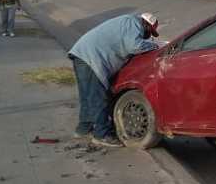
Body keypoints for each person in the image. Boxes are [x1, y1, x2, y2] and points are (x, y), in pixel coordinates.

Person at [68, 12, 159, 147]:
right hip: (92, 58)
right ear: (146, 24)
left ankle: (83, 129)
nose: (148, 36)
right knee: (99, 97)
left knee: (88, 96)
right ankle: (102, 135)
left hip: (81, 54)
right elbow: (134, 46)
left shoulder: (126, 21)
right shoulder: (134, 24)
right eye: (150, 32)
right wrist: (154, 46)